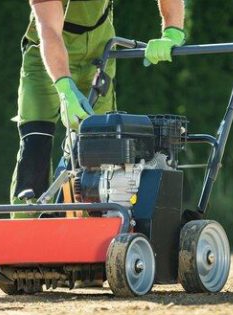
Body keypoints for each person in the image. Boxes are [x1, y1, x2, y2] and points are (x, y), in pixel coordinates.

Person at [10, 0, 185, 216]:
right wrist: (64, 87)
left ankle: (90, 232)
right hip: (47, 53)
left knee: (99, 151)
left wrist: (172, 31)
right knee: (35, 143)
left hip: (98, 51)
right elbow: (49, 30)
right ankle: (25, 231)